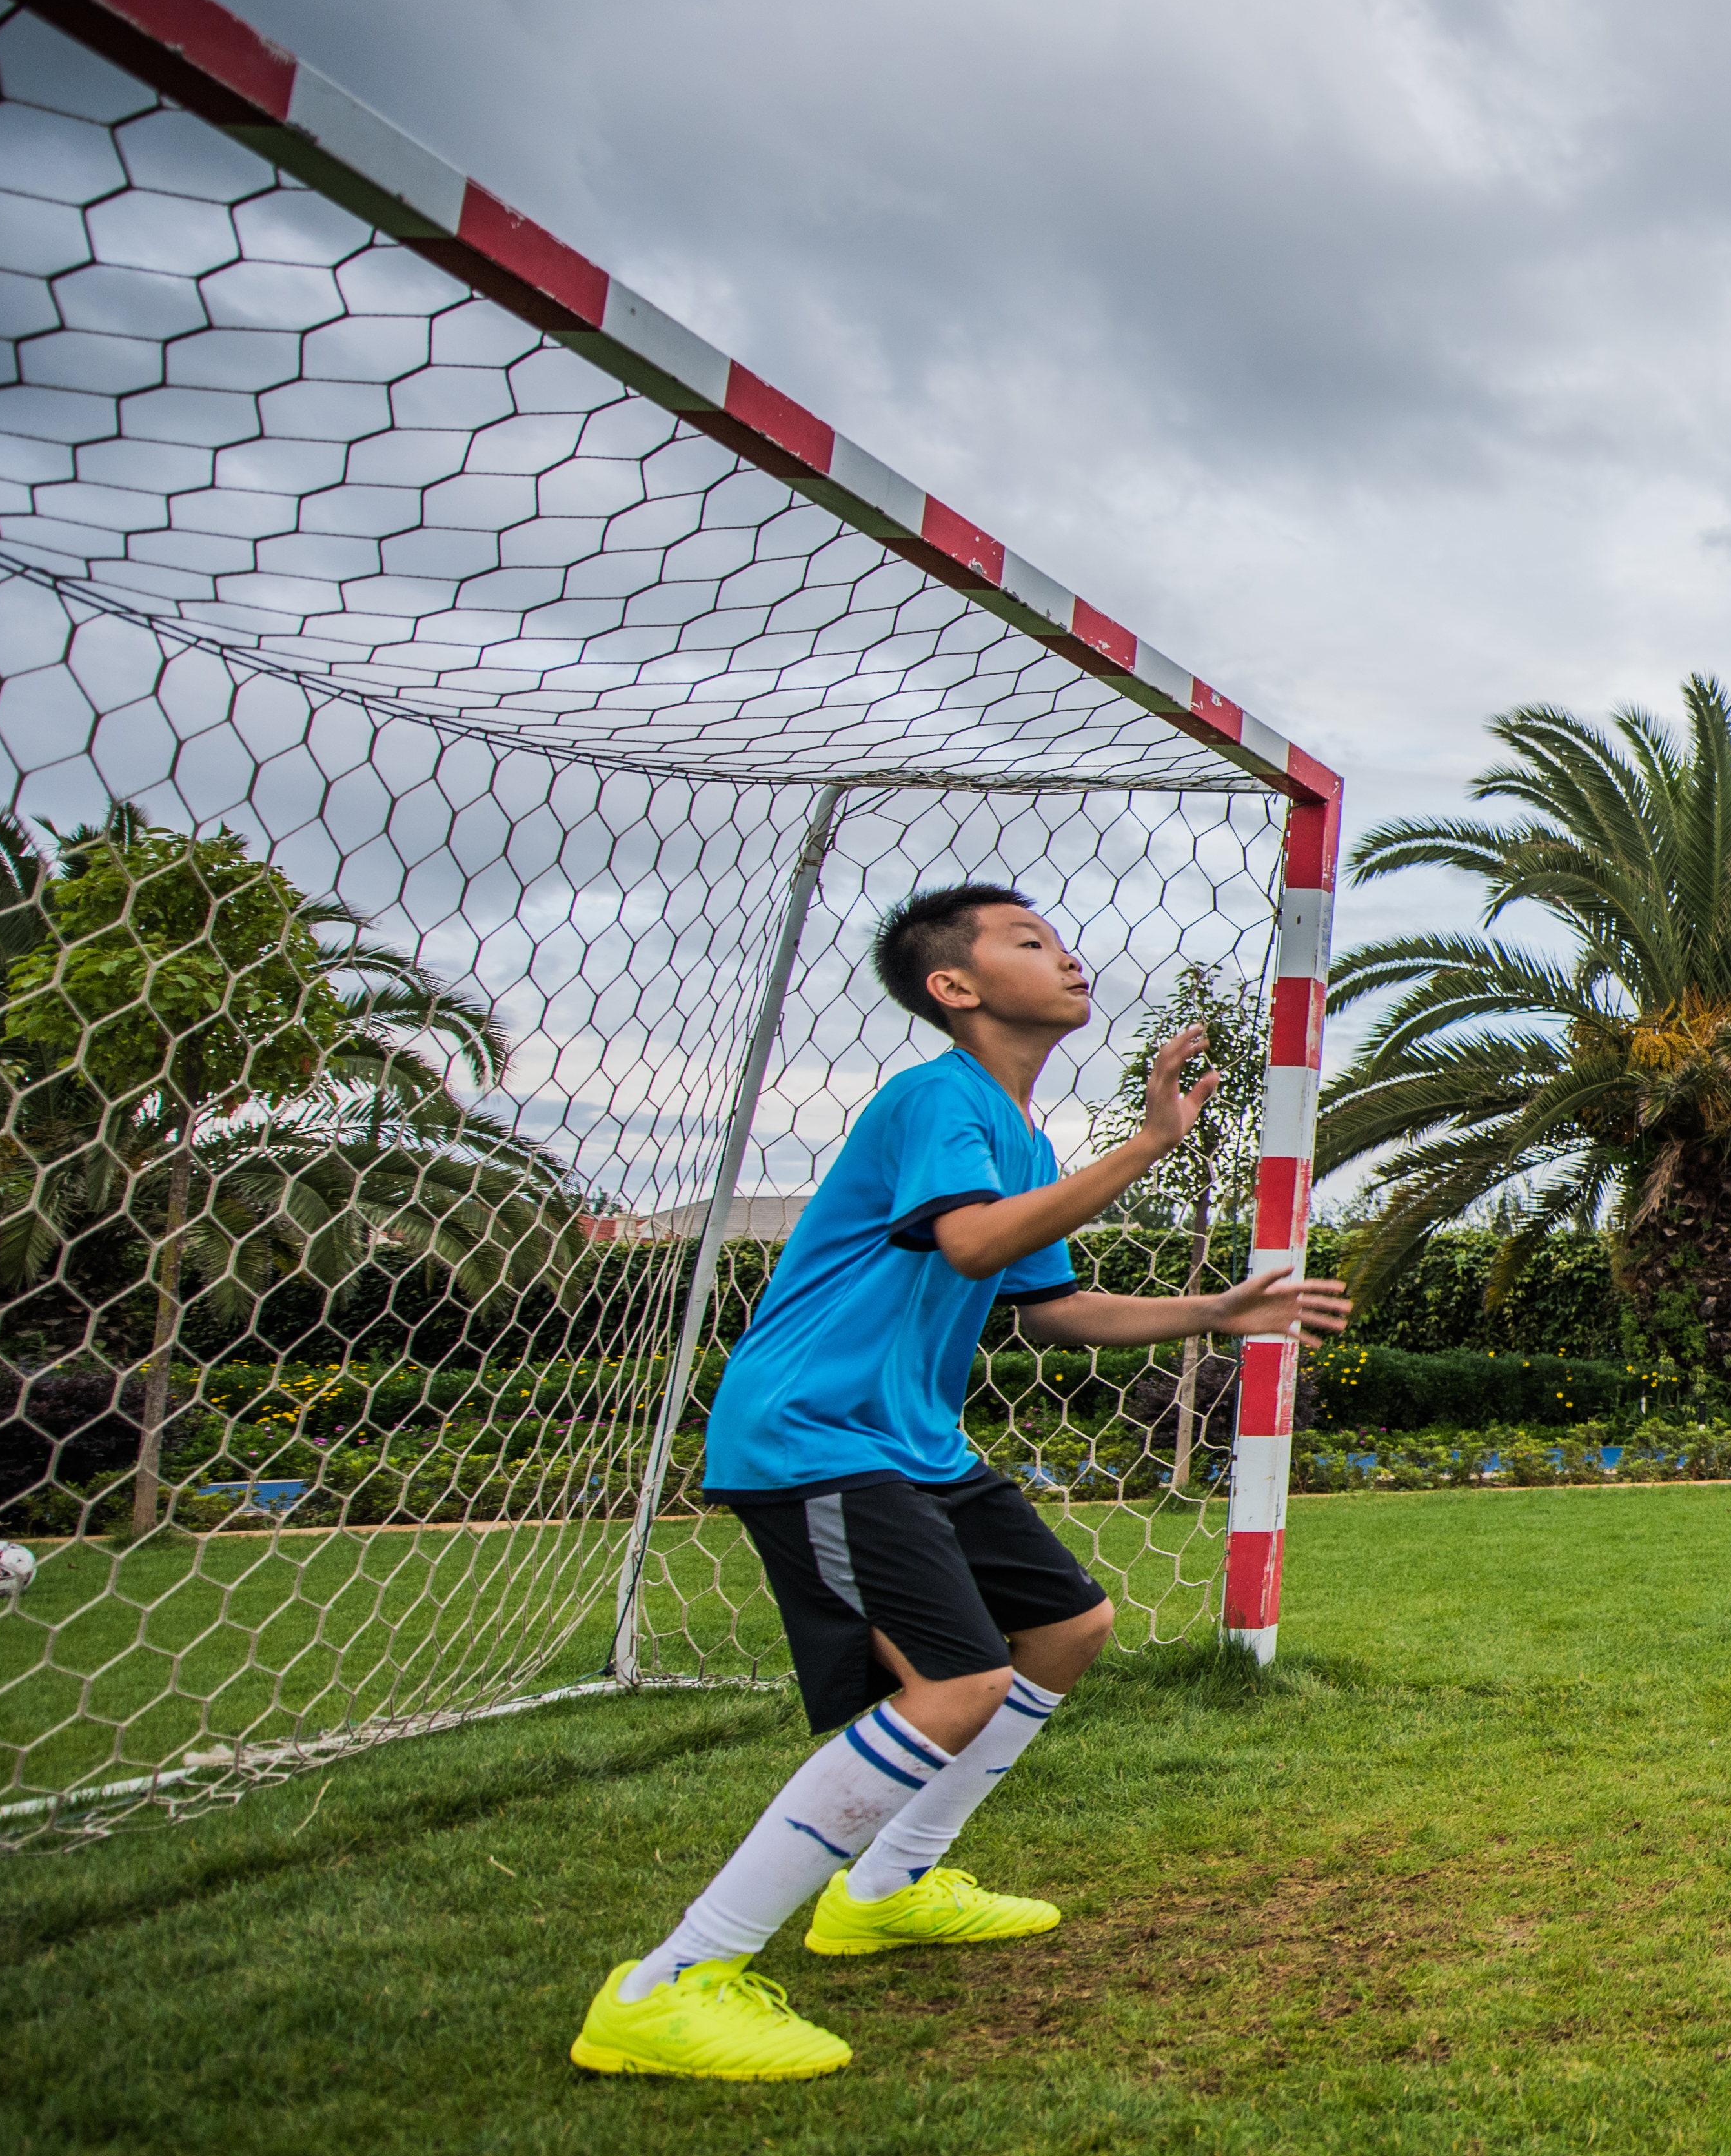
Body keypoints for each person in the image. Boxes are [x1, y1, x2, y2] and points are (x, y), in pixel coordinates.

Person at [571, 883, 1348, 2084]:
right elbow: (973, 1244)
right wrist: (1146, 1148)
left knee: (1066, 1627)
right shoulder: (938, 1097)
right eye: (1031, 941)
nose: (1070, 955)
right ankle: (672, 1981)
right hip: (816, 1436)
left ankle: (885, 1888)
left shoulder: (1017, 1134)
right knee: (956, 1679)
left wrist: (1221, 1310)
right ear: (957, 986)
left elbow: (1051, 1306)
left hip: (912, 1442)